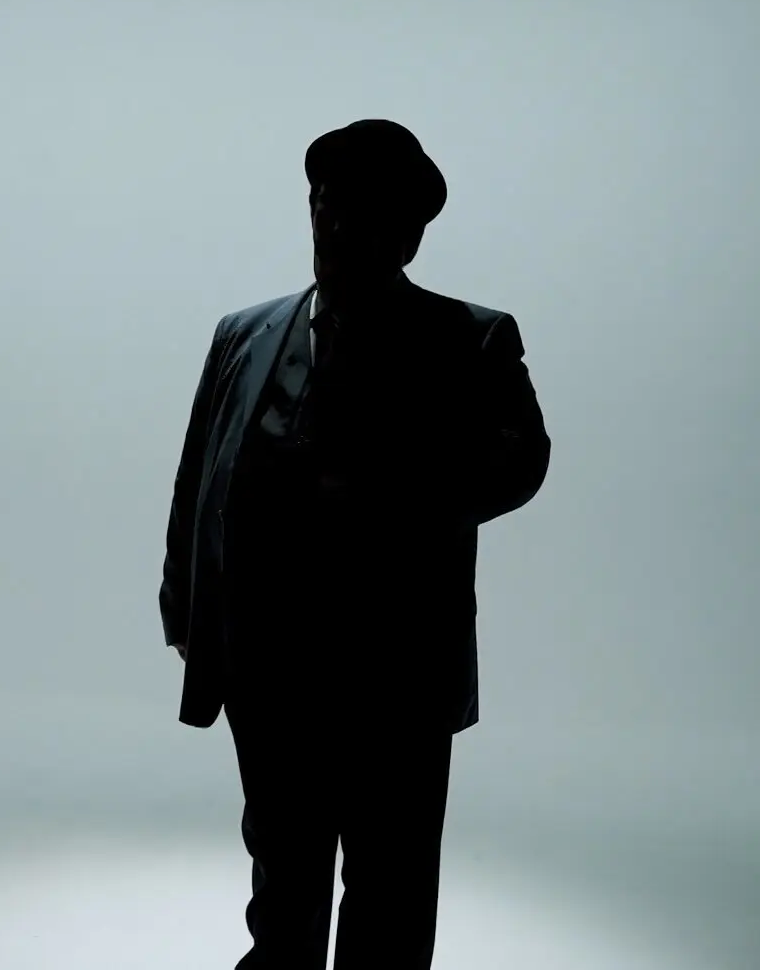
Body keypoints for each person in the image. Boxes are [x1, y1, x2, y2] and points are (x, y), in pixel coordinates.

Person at [159, 119, 551, 968]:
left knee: (390, 889)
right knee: (283, 879)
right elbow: (199, 478)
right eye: (324, 204)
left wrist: (392, 496)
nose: (333, 225)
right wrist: (185, 608)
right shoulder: (242, 335)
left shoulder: (469, 337)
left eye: (359, 211)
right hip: (267, 661)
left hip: (397, 666)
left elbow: (522, 461)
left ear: (406, 233)